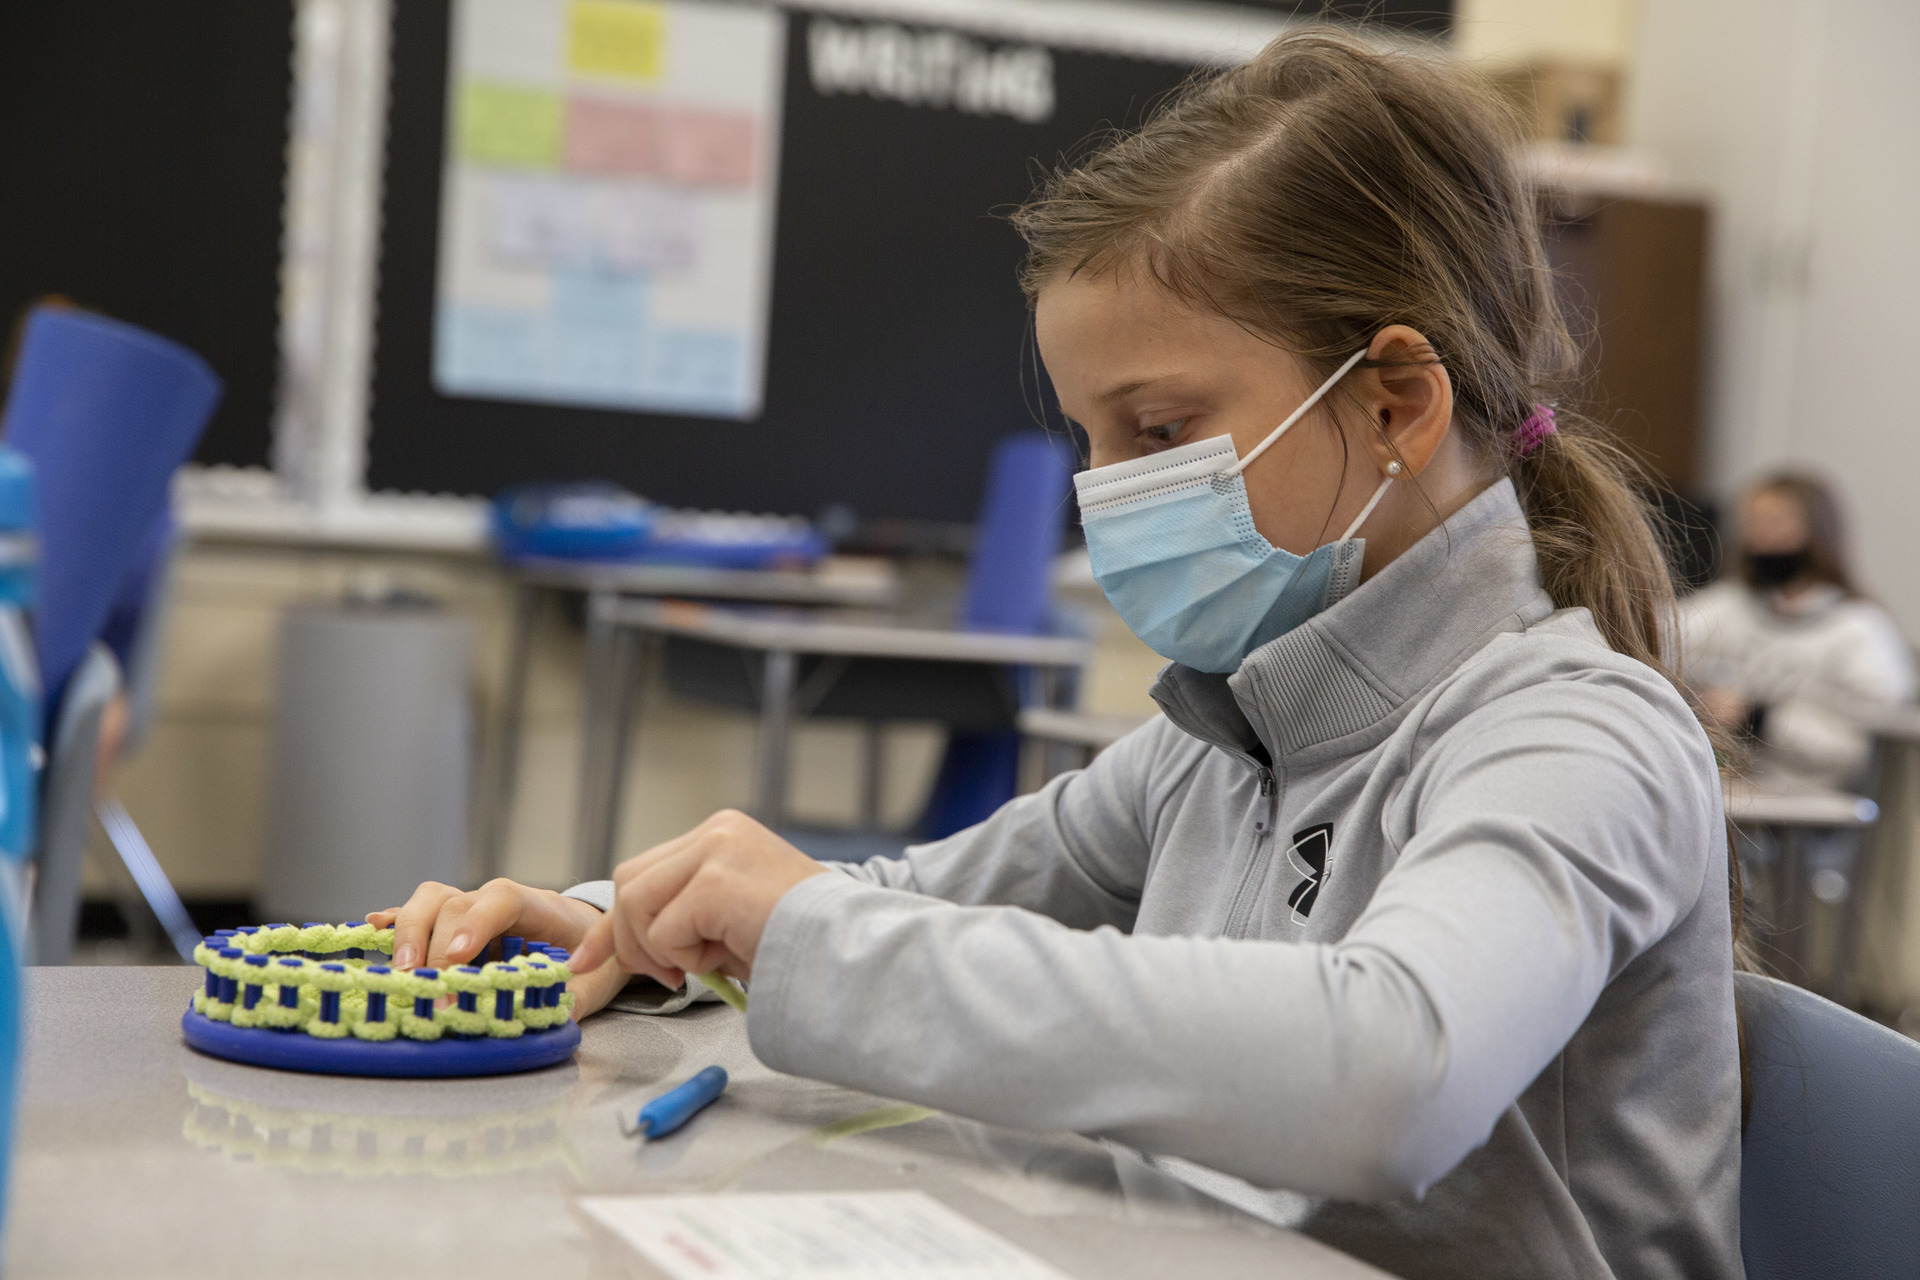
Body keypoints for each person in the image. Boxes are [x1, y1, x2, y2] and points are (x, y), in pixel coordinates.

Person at [373, 31, 1741, 1280]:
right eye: (1092, 438)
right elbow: (932, 902)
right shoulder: (1224, 740)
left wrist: (815, 938)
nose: (1108, 492)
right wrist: (640, 924)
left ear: (1395, 402)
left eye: (1156, 430)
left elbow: (1388, 1075)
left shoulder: (1580, 734)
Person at [1682, 472, 1914, 793]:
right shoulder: (1726, 607)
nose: (1759, 538)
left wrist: (1758, 719)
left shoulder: (1860, 632)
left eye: (1775, 523)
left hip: (1811, 815)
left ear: (1818, 533)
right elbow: (1654, 639)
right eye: (1751, 523)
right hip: (1725, 793)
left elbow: (1863, 752)